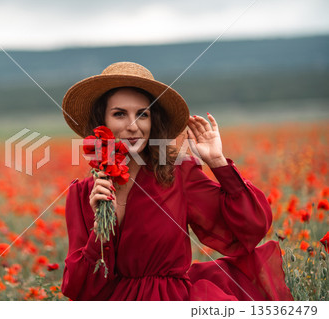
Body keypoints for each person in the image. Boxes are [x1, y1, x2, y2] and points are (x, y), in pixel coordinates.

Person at [60, 61, 293, 301]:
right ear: (102, 122)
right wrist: (102, 230)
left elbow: (249, 229)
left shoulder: (178, 174)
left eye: (143, 114)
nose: (133, 126)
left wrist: (217, 162)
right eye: (119, 114)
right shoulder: (83, 194)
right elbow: (80, 289)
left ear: (153, 122)